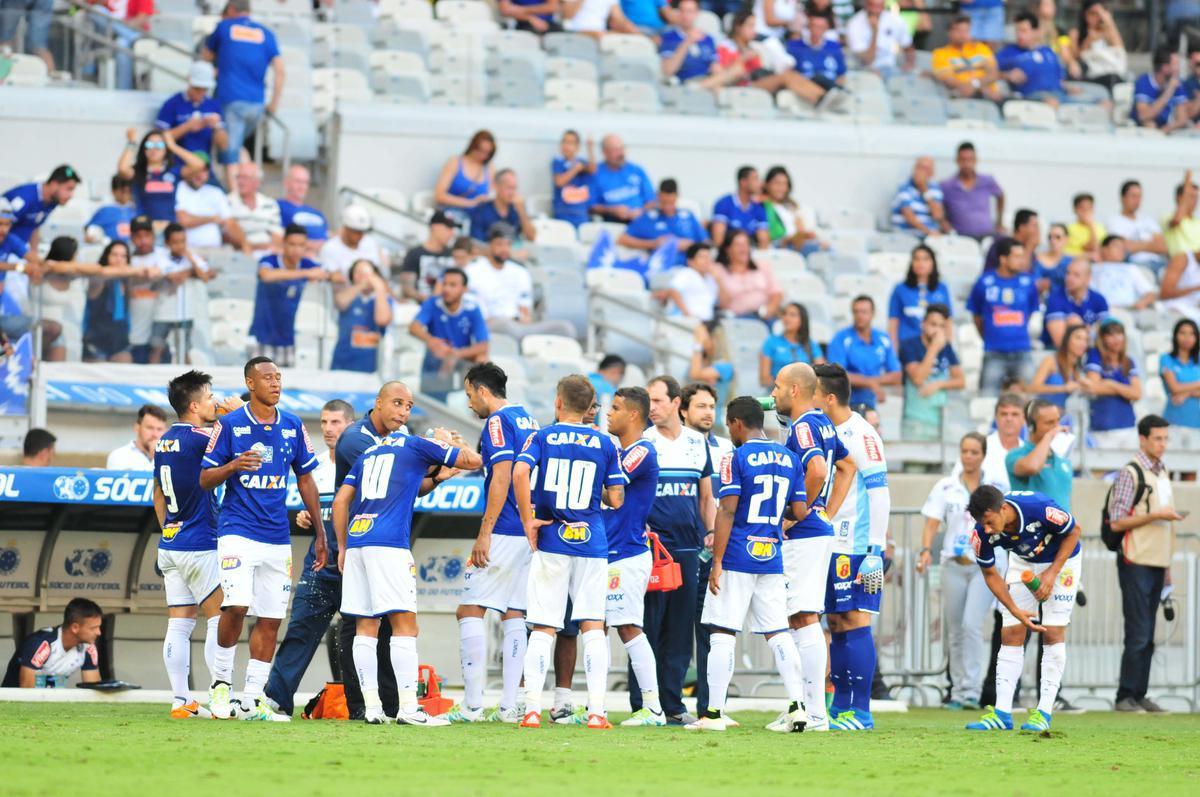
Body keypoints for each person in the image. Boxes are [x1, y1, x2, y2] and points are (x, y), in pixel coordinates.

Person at [200, 356, 326, 721]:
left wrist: (320, 533)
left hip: (276, 536)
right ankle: (221, 685)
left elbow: (305, 479)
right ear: (250, 384)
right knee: (236, 607)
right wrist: (233, 466)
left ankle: (251, 699)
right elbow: (205, 479)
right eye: (267, 377)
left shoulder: (292, 425)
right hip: (238, 531)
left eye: (278, 377)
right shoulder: (230, 424)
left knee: (271, 619)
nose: (275, 383)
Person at [334, 418, 479, 726]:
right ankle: (409, 709)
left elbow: (341, 500)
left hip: (359, 542)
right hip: (389, 545)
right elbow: (474, 460)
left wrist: (344, 547)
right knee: (405, 627)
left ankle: (372, 708)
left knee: (365, 628)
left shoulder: (371, 452)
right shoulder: (415, 444)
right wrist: (450, 442)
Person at [688, 396, 809, 732]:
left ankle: (713, 714)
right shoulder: (789, 458)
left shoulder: (734, 457)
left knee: (723, 632)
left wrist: (717, 562)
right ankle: (798, 707)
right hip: (770, 554)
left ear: (738, 423)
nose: (730, 430)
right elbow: (799, 512)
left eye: (729, 424)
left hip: (738, 554)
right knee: (779, 633)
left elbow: (726, 510)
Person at [513, 375, 626, 729]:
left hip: (552, 540)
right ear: (590, 407)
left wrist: (529, 519)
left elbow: (519, 471)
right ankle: (597, 711)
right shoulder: (606, 442)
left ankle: (531, 709)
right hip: (591, 542)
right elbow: (617, 497)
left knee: (544, 626)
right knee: (593, 626)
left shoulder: (542, 436)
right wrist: (598, 491)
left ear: (558, 402)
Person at [445, 363, 540, 724]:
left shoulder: (498, 422)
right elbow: (499, 464)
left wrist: (484, 531)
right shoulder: (528, 419)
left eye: (470, 395)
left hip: (502, 530)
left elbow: (502, 474)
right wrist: (467, 451)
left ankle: (471, 706)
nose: (470, 404)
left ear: (481, 390)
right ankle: (509, 705)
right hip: (527, 532)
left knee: (470, 609)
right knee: (515, 613)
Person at [771, 362, 853, 731]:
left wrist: (796, 514)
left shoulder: (804, 425)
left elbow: (818, 470)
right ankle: (805, 709)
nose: (772, 393)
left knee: (801, 618)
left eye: (776, 387)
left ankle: (813, 712)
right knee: (802, 617)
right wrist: (826, 512)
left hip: (804, 535)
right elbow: (848, 467)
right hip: (817, 529)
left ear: (793, 390)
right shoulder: (823, 422)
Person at [262, 399, 353, 717]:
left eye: (336, 423)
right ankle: (275, 700)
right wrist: (308, 518)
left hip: (354, 564)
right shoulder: (316, 467)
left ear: (350, 426)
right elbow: (321, 508)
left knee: (364, 635)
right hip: (320, 563)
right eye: (325, 423)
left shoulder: (361, 461)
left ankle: (366, 703)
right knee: (299, 631)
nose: (328, 429)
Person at [965, 486, 1082, 733]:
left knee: (1052, 631)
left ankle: (1044, 713)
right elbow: (990, 573)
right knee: (1011, 631)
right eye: (981, 524)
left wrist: (1052, 573)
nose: (986, 529)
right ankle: (1002, 714)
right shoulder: (980, 534)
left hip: (1063, 561)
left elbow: (1074, 532)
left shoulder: (1039, 507)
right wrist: (1014, 610)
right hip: (1022, 563)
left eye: (988, 522)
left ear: (1003, 508)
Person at [153, 371, 236, 719]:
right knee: (219, 618)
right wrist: (233, 414)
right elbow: (247, 447)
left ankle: (181, 700)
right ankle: (219, 698)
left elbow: (157, 492)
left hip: (171, 542)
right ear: (193, 405)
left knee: (180, 622)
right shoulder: (203, 438)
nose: (214, 402)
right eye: (210, 397)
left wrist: (170, 528)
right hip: (200, 541)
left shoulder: (164, 441)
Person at [813, 362, 890, 731]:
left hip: (857, 544)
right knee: (836, 622)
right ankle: (840, 706)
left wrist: (876, 550)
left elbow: (879, 493)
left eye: (811, 393)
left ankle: (861, 710)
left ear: (828, 398)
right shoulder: (818, 429)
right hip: (828, 542)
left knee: (856, 621)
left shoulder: (862, 434)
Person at [634, 375, 714, 725]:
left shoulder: (698, 443)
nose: (651, 408)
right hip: (650, 548)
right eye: (648, 401)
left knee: (680, 633)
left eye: (657, 400)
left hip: (687, 550)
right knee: (646, 627)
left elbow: (706, 495)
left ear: (676, 403)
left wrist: (710, 531)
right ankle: (643, 704)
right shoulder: (642, 442)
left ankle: (673, 704)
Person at [917, 433, 1001, 710]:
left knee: (971, 625)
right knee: (954, 629)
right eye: (964, 451)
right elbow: (931, 522)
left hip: (982, 566)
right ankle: (958, 689)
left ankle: (973, 691)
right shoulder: (947, 486)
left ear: (983, 455)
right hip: (953, 563)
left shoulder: (995, 486)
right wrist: (926, 550)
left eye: (974, 452)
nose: (968, 456)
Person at [600, 386, 668, 726]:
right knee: (595, 626)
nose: (608, 414)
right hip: (606, 550)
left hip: (625, 552)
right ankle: (596, 705)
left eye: (615, 408)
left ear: (633, 415)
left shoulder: (641, 451)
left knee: (627, 627)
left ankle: (653, 707)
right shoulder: (619, 449)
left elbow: (612, 488)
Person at [1108, 415, 1182, 713]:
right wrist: (1155, 516)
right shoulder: (1131, 473)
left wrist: (1167, 568)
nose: (1162, 444)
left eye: (1165, 438)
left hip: (1156, 560)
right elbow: (1116, 521)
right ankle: (1125, 694)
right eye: (1157, 439)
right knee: (1138, 630)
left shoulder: (1162, 473)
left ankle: (1139, 693)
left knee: (1148, 632)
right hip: (1136, 558)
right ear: (1142, 439)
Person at [203, 0, 285, 187]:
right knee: (238, 147)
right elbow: (280, 70)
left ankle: (236, 199)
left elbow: (205, 59)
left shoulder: (224, 27)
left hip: (231, 98)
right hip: (257, 103)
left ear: (231, 10)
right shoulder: (265, 33)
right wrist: (274, 103)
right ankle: (248, 185)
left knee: (229, 155)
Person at [466, 224, 575, 340]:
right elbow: (472, 310)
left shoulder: (520, 272)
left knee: (565, 328)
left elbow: (525, 310)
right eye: (499, 244)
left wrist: (525, 319)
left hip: (518, 325)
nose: (504, 249)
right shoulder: (472, 271)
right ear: (489, 245)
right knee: (504, 324)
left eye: (508, 245)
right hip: (488, 324)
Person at [248, 224, 328, 366]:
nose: (296, 249)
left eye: (301, 245)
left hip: (288, 339)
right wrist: (306, 274)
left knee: (283, 385)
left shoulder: (306, 263)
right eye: (292, 244)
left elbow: (327, 274)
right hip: (262, 336)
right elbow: (266, 275)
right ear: (284, 244)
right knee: (259, 383)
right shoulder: (269, 260)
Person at [968, 239, 1038, 394]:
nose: (1021, 261)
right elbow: (976, 315)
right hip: (994, 352)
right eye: (1016, 257)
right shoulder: (984, 282)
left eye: (1022, 256)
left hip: (1022, 350)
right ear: (1003, 259)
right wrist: (987, 336)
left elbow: (1030, 313)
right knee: (987, 399)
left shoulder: (1028, 282)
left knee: (1030, 399)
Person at [410, 267, 490, 397]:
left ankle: (477, 408)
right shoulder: (433, 303)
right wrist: (431, 340)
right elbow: (414, 327)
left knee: (482, 360)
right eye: (444, 284)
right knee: (439, 351)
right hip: (436, 359)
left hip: (460, 360)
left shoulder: (472, 308)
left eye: (452, 285)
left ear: (464, 289)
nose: (446, 289)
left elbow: (484, 345)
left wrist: (456, 354)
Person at [2, 598, 102, 687]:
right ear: (75, 627)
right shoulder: (42, 643)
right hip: (12, 702)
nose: (99, 632)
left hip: (52, 700)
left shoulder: (89, 648)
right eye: (93, 628)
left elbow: (93, 689)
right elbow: (27, 689)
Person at [900, 304, 965, 440]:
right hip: (915, 421)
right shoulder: (909, 345)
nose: (938, 330)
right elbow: (918, 378)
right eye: (933, 324)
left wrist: (937, 385)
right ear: (923, 324)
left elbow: (961, 381)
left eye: (942, 326)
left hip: (940, 421)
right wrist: (934, 348)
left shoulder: (946, 348)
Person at [827, 295, 901, 411]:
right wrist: (870, 383)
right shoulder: (841, 338)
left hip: (875, 403)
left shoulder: (883, 339)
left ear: (873, 314)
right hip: (846, 405)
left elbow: (896, 376)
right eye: (856, 312)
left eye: (864, 312)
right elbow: (837, 375)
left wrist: (872, 382)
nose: (859, 316)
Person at [155, 62, 228, 167]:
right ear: (189, 81)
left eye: (205, 88)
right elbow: (158, 140)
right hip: (177, 168)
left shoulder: (213, 105)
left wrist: (217, 127)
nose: (201, 92)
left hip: (204, 169)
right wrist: (187, 127)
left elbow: (224, 146)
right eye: (197, 88)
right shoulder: (172, 103)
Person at [618, 178, 706, 265]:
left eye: (671, 203)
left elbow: (706, 243)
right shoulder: (648, 217)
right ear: (658, 196)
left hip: (690, 266)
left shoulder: (688, 216)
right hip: (662, 267)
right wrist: (653, 244)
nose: (667, 207)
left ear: (677, 196)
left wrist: (690, 246)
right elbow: (622, 239)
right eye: (663, 202)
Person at [1085, 318, 1142, 448]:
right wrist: (1125, 390)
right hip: (1103, 427)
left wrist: (1111, 384)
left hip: (1128, 426)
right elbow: (1093, 387)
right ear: (1102, 338)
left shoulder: (1128, 361)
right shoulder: (1095, 356)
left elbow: (1137, 393)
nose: (1116, 338)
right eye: (1110, 334)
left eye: (1119, 333)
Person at [996, 12, 1074, 106]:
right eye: (1017, 31)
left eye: (1023, 31)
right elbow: (987, 72)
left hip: (1059, 95)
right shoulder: (1009, 52)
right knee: (1052, 102)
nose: (1019, 35)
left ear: (1036, 32)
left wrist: (1069, 88)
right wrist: (1006, 75)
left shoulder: (1048, 51)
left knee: (1093, 104)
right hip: (1031, 99)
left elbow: (1061, 79)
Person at [1008, 399, 1073, 509]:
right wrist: (1048, 436)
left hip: (1060, 525)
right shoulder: (1015, 455)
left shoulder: (1062, 458)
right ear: (1031, 426)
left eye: (1057, 421)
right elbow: (1033, 467)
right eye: (1049, 423)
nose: (1056, 427)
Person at [331, 259, 394, 374]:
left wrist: (380, 289)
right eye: (358, 273)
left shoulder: (383, 299)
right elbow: (340, 302)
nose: (363, 276)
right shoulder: (348, 295)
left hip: (372, 363)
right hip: (343, 360)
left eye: (367, 273)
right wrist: (360, 285)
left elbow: (382, 320)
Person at [174, 157, 246, 252]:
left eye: (204, 171)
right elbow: (184, 220)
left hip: (216, 251)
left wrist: (245, 245)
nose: (199, 175)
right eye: (196, 170)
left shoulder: (216, 192)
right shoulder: (178, 188)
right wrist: (211, 219)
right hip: (187, 251)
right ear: (187, 171)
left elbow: (231, 223)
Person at [2, 165, 81, 251]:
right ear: (54, 184)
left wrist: (34, 256)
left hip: (17, 251)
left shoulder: (52, 201)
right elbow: (2, 229)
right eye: (69, 189)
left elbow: (34, 228)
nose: (71, 195)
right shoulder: (24, 198)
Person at [887, 244, 951, 349]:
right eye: (916, 259)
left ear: (933, 263)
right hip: (908, 348)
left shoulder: (942, 288)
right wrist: (894, 352)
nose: (921, 263)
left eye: (925, 259)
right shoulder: (900, 289)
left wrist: (947, 348)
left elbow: (948, 320)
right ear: (911, 263)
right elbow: (893, 322)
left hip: (935, 346)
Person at [785, 10, 849, 110]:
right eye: (813, 26)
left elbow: (841, 75)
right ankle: (827, 96)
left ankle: (833, 95)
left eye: (820, 27)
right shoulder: (795, 46)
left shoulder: (834, 47)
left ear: (826, 28)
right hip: (806, 86)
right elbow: (790, 72)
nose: (816, 30)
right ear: (808, 27)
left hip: (829, 84)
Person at [940, 142, 1004, 240]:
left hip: (987, 235)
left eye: (970, 159)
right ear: (957, 161)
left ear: (975, 160)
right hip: (961, 237)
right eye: (963, 160)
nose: (966, 164)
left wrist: (999, 222)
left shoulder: (987, 181)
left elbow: (1000, 195)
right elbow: (938, 210)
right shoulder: (947, 186)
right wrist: (946, 227)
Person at [715, 230, 783, 321]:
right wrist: (717, 279)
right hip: (735, 318)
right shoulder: (719, 271)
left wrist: (768, 310)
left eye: (746, 244)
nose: (743, 249)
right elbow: (723, 303)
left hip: (763, 315)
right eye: (738, 245)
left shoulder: (762, 266)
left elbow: (776, 293)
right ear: (728, 249)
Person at [433, 130, 496, 228]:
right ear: (473, 146)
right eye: (480, 150)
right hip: (452, 216)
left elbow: (491, 194)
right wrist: (471, 203)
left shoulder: (489, 168)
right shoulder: (455, 162)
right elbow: (439, 195)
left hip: (476, 219)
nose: (483, 155)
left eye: (487, 153)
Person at [931, 15, 1003, 100]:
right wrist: (979, 89)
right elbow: (949, 80)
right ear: (949, 32)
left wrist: (975, 85)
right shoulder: (940, 54)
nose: (963, 34)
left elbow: (993, 73)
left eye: (966, 30)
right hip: (964, 96)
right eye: (959, 30)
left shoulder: (981, 48)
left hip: (991, 96)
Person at [1041, 257, 1108, 348]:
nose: (1069, 278)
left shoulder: (1099, 300)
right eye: (1068, 273)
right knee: (1074, 321)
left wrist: (1082, 329)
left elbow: (1107, 337)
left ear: (1088, 279)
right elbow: (1059, 342)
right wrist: (1087, 330)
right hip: (1057, 353)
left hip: (1091, 352)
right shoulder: (1055, 299)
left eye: (1076, 275)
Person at [589, 134, 655, 223]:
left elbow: (652, 200)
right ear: (605, 152)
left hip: (640, 221)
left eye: (622, 148)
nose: (621, 154)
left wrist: (641, 211)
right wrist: (612, 210)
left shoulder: (636, 170)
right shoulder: (596, 174)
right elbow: (591, 206)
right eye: (616, 150)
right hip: (612, 223)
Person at [1108, 181, 1169, 273]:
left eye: (1139, 196)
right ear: (1123, 198)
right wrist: (1151, 244)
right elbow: (1124, 248)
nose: (1137, 200)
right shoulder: (1114, 221)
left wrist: (1137, 245)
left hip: (1160, 263)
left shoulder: (1148, 220)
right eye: (1133, 196)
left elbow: (1163, 247)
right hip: (1135, 264)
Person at [1031, 323, 1090, 418]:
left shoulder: (1077, 368)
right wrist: (1063, 388)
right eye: (1078, 338)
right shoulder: (1051, 361)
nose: (1083, 343)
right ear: (1067, 340)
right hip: (1043, 418)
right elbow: (1034, 387)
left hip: (1062, 419)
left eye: (1086, 340)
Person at [399, 211, 459, 302]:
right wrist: (431, 302)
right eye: (448, 228)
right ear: (434, 227)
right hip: (421, 306)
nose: (452, 233)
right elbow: (407, 289)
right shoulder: (415, 253)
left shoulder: (453, 254)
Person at [469, 169, 536, 250]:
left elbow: (531, 237)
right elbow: (475, 245)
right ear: (497, 186)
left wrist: (522, 211)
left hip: (516, 255)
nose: (512, 193)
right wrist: (509, 254)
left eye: (514, 188)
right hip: (491, 258)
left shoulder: (517, 209)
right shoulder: (482, 211)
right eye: (509, 188)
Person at [760, 302, 823, 387]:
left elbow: (821, 375)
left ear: (802, 320)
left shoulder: (811, 344)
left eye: (792, 315)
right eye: (784, 314)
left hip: (805, 394)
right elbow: (764, 379)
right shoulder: (771, 342)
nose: (787, 318)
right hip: (778, 393)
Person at [762, 165, 823, 253]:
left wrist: (804, 235)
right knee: (818, 249)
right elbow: (769, 236)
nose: (781, 188)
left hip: (797, 243)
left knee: (823, 245)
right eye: (777, 183)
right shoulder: (764, 205)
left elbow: (801, 228)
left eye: (784, 184)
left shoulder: (791, 206)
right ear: (767, 184)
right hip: (780, 245)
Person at [1068, 0, 1126, 90]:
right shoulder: (1076, 33)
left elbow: (1119, 51)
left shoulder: (1108, 32)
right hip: (1091, 75)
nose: (1096, 17)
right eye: (1092, 13)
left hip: (1111, 73)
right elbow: (1075, 58)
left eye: (1099, 14)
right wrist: (1088, 41)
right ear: (1084, 14)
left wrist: (1108, 22)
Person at [846, 0, 914, 76]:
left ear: (883, 5)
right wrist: (875, 32)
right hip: (863, 70)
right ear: (866, 4)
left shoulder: (894, 20)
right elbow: (867, 60)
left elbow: (907, 45)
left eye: (878, 6)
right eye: (872, 5)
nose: (875, 10)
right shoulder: (854, 23)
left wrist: (910, 63)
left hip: (889, 68)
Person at [654, 242, 719, 321]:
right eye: (702, 257)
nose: (707, 261)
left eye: (709, 257)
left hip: (708, 320)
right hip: (690, 321)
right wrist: (686, 313)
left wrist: (719, 279)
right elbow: (673, 290)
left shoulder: (710, 279)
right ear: (690, 261)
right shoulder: (687, 273)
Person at [660, 0, 719, 85]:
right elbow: (667, 70)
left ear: (697, 13)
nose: (685, 15)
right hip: (684, 84)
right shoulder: (669, 37)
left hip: (707, 82)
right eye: (682, 11)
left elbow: (715, 66)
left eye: (689, 11)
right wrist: (687, 42)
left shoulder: (708, 38)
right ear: (678, 12)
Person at [228, 163, 283, 255]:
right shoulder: (227, 202)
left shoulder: (270, 204)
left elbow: (277, 235)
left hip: (268, 252)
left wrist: (270, 247)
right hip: (241, 252)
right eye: (238, 177)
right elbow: (228, 236)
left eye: (245, 177)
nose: (240, 181)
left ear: (257, 182)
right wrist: (256, 247)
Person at [711, 166, 769, 250]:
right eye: (755, 179)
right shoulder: (724, 203)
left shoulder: (759, 207)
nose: (760, 183)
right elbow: (718, 240)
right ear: (743, 182)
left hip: (750, 253)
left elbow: (763, 241)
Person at [890, 158, 951, 239]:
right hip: (907, 235)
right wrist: (929, 232)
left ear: (931, 173)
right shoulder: (904, 187)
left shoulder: (935, 189)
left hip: (930, 237)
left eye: (925, 169)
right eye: (919, 167)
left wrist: (924, 190)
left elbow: (938, 215)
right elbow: (908, 215)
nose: (921, 172)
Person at [1091, 237, 1157, 310]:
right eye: (1117, 246)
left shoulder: (1131, 268)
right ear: (1104, 249)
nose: (1121, 250)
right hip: (1101, 311)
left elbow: (1150, 293)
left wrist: (1143, 302)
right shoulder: (1093, 269)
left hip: (1128, 310)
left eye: (1123, 248)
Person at [321, 205, 387, 277]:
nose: (360, 235)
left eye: (362, 231)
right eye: (356, 231)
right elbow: (334, 277)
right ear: (346, 228)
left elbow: (380, 270)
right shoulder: (330, 248)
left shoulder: (370, 242)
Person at [277, 165, 327, 256]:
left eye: (305, 182)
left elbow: (327, 234)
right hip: (299, 256)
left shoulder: (317, 213)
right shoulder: (277, 207)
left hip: (325, 255)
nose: (302, 186)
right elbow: (277, 236)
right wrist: (310, 246)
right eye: (298, 181)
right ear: (286, 183)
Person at [551, 129, 595, 229]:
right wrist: (574, 169)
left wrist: (590, 149)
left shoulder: (581, 161)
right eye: (564, 142)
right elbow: (559, 182)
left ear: (577, 147)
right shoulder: (558, 161)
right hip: (563, 211)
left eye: (570, 143)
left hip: (580, 212)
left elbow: (592, 170)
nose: (566, 145)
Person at [1161, 319, 1200, 429]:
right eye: (1182, 333)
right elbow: (1174, 388)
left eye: (1191, 334)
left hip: (1196, 419)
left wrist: (1187, 393)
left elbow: (1180, 389)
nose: (1187, 338)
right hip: (1174, 417)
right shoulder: (1166, 359)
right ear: (1175, 335)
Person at [107, 403, 168, 470]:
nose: (155, 434)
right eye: (150, 428)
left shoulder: (171, 456)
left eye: (159, 429)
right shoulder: (119, 456)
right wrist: (156, 457)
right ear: (137, 428)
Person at [85, 175, 137, 244]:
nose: (127, 194)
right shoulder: (105, 211)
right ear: (114, 191)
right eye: (123, 191)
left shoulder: (135, 210)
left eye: (129, 191)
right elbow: (90, 231)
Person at [1164, 172, 1200, 259]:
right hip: (1180, 263)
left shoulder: (1197, 222)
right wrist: (1187, 183)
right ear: (1179, 198)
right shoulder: (1167, 217)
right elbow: (1177, 220)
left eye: (1196, 197)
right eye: (1190, 196)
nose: (1195, 200)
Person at [1033, 223, 1073, 296]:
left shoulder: (1071, 262)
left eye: (1058, 237)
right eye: (1050, 237)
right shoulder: (1036, 259)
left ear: (1066, 239)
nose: (1053, 241)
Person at [1160, 249, 1200, 323]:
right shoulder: (1182, 258)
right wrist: (1196, 288)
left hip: (1194, 309)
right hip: (1176, 307)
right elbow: (1164, 294)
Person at [1064, 192, 1105, 258]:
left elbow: (1101, 248)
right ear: (1075, 209)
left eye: (1089, 207)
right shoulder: (1069, 229)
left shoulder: (1100, 227)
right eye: (1082, 208)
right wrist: (1091, 227)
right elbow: (1091, 247)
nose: (1086, 211)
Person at [588, 353, 625, 423]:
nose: (620, 379)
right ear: (616, 371)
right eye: (621, 374)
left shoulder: (582, 380)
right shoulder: (608, 390)